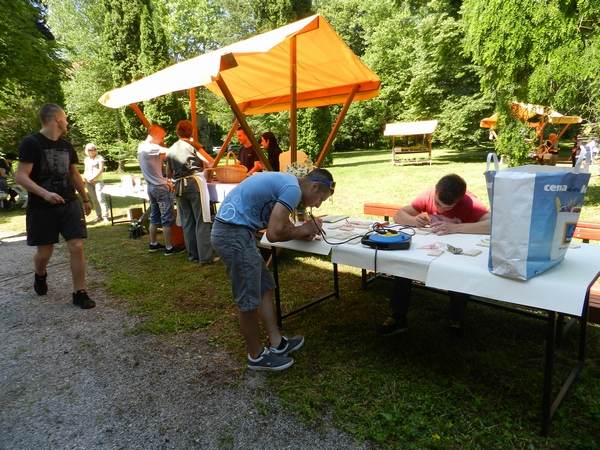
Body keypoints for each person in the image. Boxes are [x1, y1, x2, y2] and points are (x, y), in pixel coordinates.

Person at [211, 168, 335, 371]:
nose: (317, 204)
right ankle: (256, 356)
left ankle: (277, 343)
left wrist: (300, 232)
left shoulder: (289, 184)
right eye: (320, 198)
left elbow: (283, 226)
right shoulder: (292, 190)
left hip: (237, 232)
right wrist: (303, 230)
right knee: (248, 298)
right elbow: (274, 234)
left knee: (265, 287)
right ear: (314, 186)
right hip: (232, 234)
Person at [378, 174, 490, 336]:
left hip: (458, 254)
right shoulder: (428, 194)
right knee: (404, 266)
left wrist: (456, 228)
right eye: (437, 203)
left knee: (460, 274)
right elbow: (399, 215)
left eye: (448, 207)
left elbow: (493, 224)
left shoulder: (470, 202)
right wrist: (414, 221)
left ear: (459, 199)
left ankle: (456, 319)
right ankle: (398, 316)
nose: (441, 209)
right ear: (436, 191)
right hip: (429, 248)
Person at [14, 103, 95, 309]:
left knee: (77, 246)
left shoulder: (66, 146)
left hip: (69, 203)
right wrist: (45, 194)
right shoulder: (31, 143)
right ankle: (40, 273)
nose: (67, 122)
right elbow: (20, 176)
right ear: (57, 119)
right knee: (45, 253)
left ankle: (80, 292)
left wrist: (85, 198)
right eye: (65, 118)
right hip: (42, 207)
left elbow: (74, 174)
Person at [166, 120, 215, 264]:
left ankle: (193, 254)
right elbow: (210, 161)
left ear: (177, 132)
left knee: (187, 221)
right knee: (202, 219)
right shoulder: (193, 145)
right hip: (194, 183)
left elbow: (168, 173)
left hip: (179, 185)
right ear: (191, 131)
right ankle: (205, 257)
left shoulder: (171, 149)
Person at [137, 124, 183, 256]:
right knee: (166, 218)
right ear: (154, 135)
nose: (163, 139)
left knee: (154, 216)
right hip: (160, 188)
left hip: (151, 187)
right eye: (162, 137)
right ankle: (169, 248)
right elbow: (172, 152)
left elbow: (162, 158)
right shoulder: (150, 147)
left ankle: (153, 244)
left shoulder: (141, 147)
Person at [82, 143, 109, 223]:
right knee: (94, 199)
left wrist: (93, 178)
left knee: (101, 199)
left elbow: (101, 170)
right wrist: (85, 178)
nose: (93, 151)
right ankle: (98, 216)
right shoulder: (86, 159)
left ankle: (105, 217)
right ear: (87, 151)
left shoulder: (99, 158)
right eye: (90, 150)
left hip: (98, 181)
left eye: (94, 149)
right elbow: (86, 170)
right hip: (88, 182)